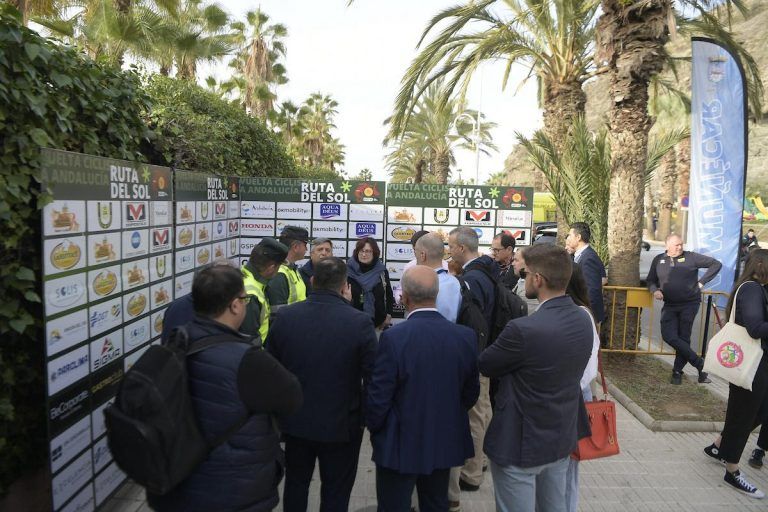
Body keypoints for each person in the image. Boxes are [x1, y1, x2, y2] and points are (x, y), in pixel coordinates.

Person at [147, 263, 302, 512]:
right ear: (234, 305)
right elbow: (292, 398)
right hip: (232, 490)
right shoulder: (248, 359)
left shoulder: (173, 343)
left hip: (174, 485)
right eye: (244, 299)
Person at [479, 244, 593, 512]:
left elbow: (486, 364)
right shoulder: (583, 319)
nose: (523, 277)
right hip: (560, 439)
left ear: (538, 279)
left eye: (525, 273)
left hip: (520, 444)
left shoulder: (522, 329)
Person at [267, 257, 377, 512]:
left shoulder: (286, 317)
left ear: (312, 281)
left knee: (295, 485)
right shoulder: (359, 322)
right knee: (336, 491)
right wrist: (367, 419)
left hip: (295, 423)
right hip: (343, 425)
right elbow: (373, 377)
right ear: (344, 285)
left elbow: (271, 369)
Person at [366, 266, 480, 512]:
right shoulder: (465, 337)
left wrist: (377, 431)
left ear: (404, 298)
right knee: (436, 503)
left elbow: (379, 397)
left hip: (398, 442)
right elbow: (470, 392)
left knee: (393, 505)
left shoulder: (393, 338)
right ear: (435, 295)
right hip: (443, 438)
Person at [703, 249, 768, 499]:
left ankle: (720, 447)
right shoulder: (751, 289)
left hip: (756, 365)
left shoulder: (756, 288)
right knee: (743, 415)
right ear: (761, 265)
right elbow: (754, 327)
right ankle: (732, 470)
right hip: (751, 366)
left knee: (756, 412)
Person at [447, 226, 495, 492]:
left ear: (462, 248)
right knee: (482, 409)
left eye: (451, 246)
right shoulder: (483, 271)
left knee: (475, 414)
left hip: (476, 356)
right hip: (483, 353)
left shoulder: (473, 279)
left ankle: (471, 472)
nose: (449, 251)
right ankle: (480, 461)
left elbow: (473, 323)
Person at [646, 233, 722, 385]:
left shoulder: (691, 257)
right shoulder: (659, 260)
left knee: (684, 337)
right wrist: (655, 290)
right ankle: (699, 364)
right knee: (669, 335)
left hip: (689, 304)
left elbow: (716, 264)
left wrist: (701, 283)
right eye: (676, 245)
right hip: (670, 305)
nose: (680, 247)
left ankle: (677, 372)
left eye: (681, 244)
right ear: (667, 246)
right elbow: (650, 280)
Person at [563, 264, 601, 512]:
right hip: (576, 392)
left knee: (569, 465)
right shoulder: (581, 312)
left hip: (574, 395)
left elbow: (590, 362)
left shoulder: (579, 314)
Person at [241, 238, 289, 344]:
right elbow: (249, 342)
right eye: (279, 267)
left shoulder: (243, 275)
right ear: (271, 268)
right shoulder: (251, 294)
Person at [347, 237, 394, 330]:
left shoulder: (381, 271)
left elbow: (389, 294)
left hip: (378, 324)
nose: (364, 254)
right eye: (361, 251)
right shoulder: (347, 271)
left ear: (375, 253)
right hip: (351, 324)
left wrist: (388, 315)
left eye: (368, 251)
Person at [565, 222, 607, 326]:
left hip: (587, 315)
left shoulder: (588, 258)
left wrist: (586, 314)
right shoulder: (580, 255)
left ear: (578, 237)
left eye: (570, 235)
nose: (568, 238)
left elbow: (591, 290)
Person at [414, 233, 461, 322]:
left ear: (422, 255)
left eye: (415, 251)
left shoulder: (421, 284)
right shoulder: (456, 282)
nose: (414, 255)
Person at [267, 226, 310, 309]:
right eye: (305, 245)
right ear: (295, 247)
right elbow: (277, 314)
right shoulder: (279, 274)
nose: (306, 249)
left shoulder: (292, 269)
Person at [512, 247, 538, 315]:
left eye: (516, 260)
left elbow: (529, 316)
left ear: (528, 262)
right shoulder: (522, 280)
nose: (513, 264)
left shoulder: (530, 288)